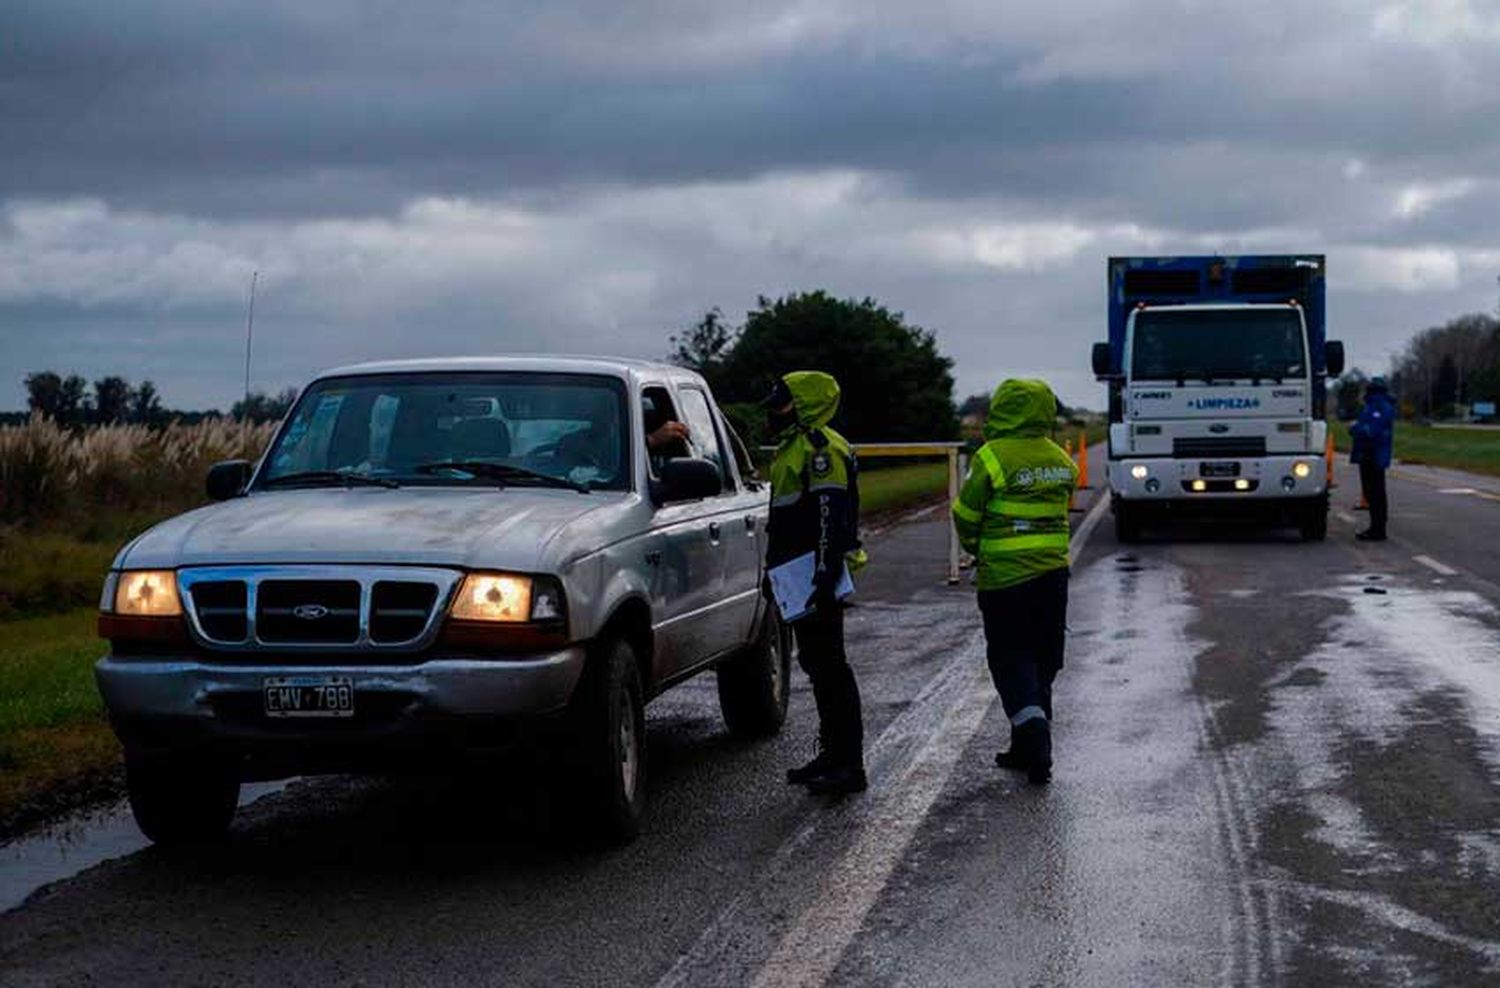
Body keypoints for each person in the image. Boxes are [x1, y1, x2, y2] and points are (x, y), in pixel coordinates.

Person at [952, 379, 1077, 785]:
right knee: (1043, 659)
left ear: (1004, 408)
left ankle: (1034, 738)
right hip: (1053, 575)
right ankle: (1027, 747)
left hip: (1005, 578)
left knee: (1011, 658)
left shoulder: (991, 457)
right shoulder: (1061, 459)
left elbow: (966, 515)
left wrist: (978, 549)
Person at [764, 371, 868, 795]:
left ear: (803, 405)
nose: (772, 409)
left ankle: (849, 764)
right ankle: (832, 755)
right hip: (796, 576)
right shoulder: (796, 447)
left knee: (831, 669)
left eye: (781, 401)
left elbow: (829, 517)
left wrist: (823, 576)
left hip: (813, 577)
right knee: (818, 666)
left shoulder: (821, 451)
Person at [1350, 376, 1395, 542]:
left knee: (1375, 493)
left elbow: (1371, 430)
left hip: (1373, 454)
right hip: (1370, 454)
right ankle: (1376, 527)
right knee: (1372, 492)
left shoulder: (1379, 407)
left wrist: (1355, 428)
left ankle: (1378, 529)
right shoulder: (1374, 406)